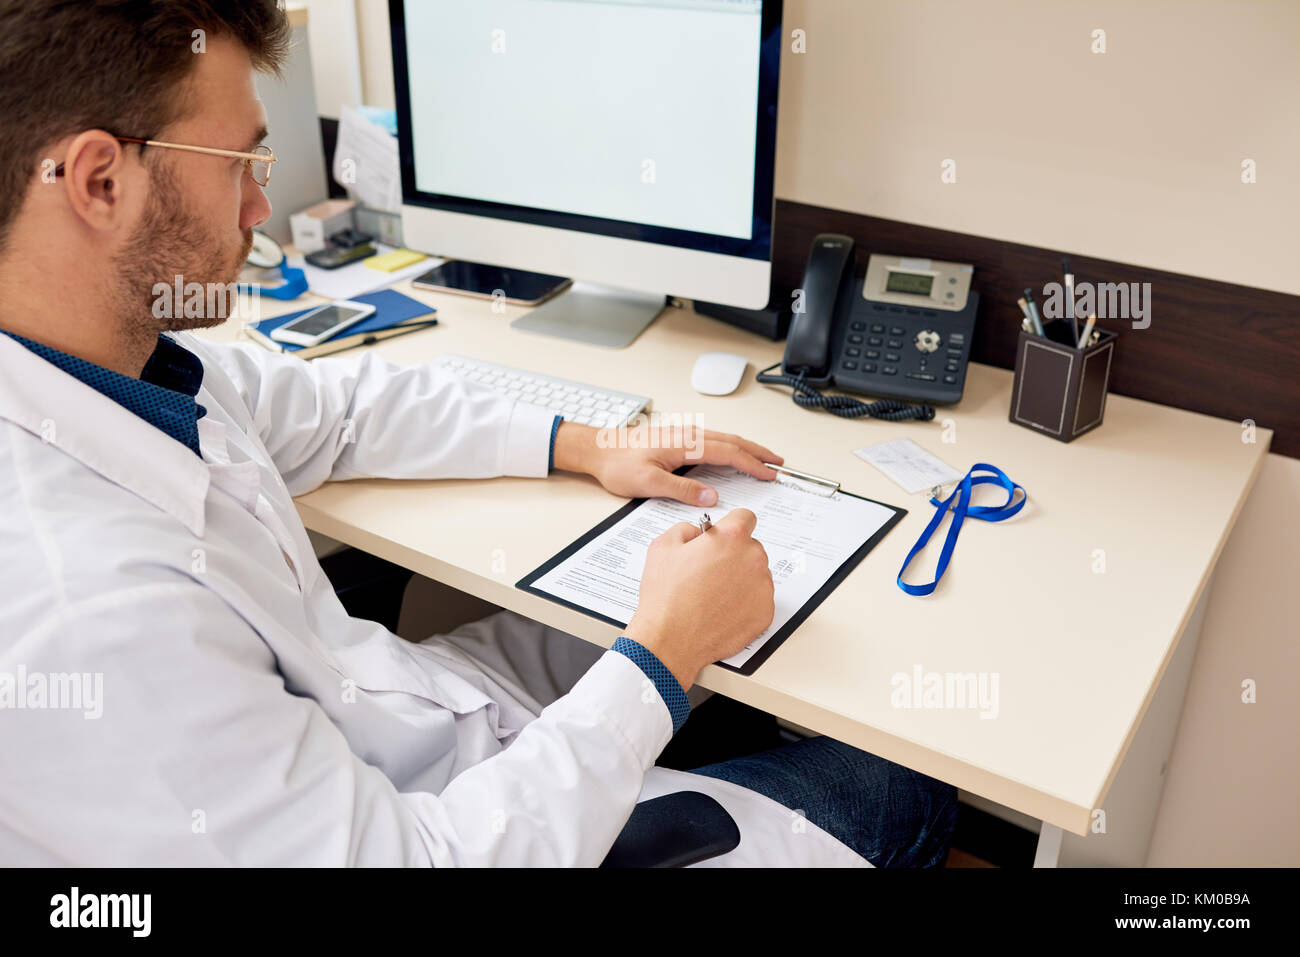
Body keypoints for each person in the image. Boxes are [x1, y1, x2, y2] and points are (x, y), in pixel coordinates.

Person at [0, 0, 955, 866]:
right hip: (449, 834)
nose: (261, 206)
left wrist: (587, 444)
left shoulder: (127, 365)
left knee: (714, 632)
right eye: (243, 163)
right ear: (96, 181)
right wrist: (661, 659)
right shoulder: (87, 616)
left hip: (408, 729)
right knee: (902, 783)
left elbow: (339, 412)